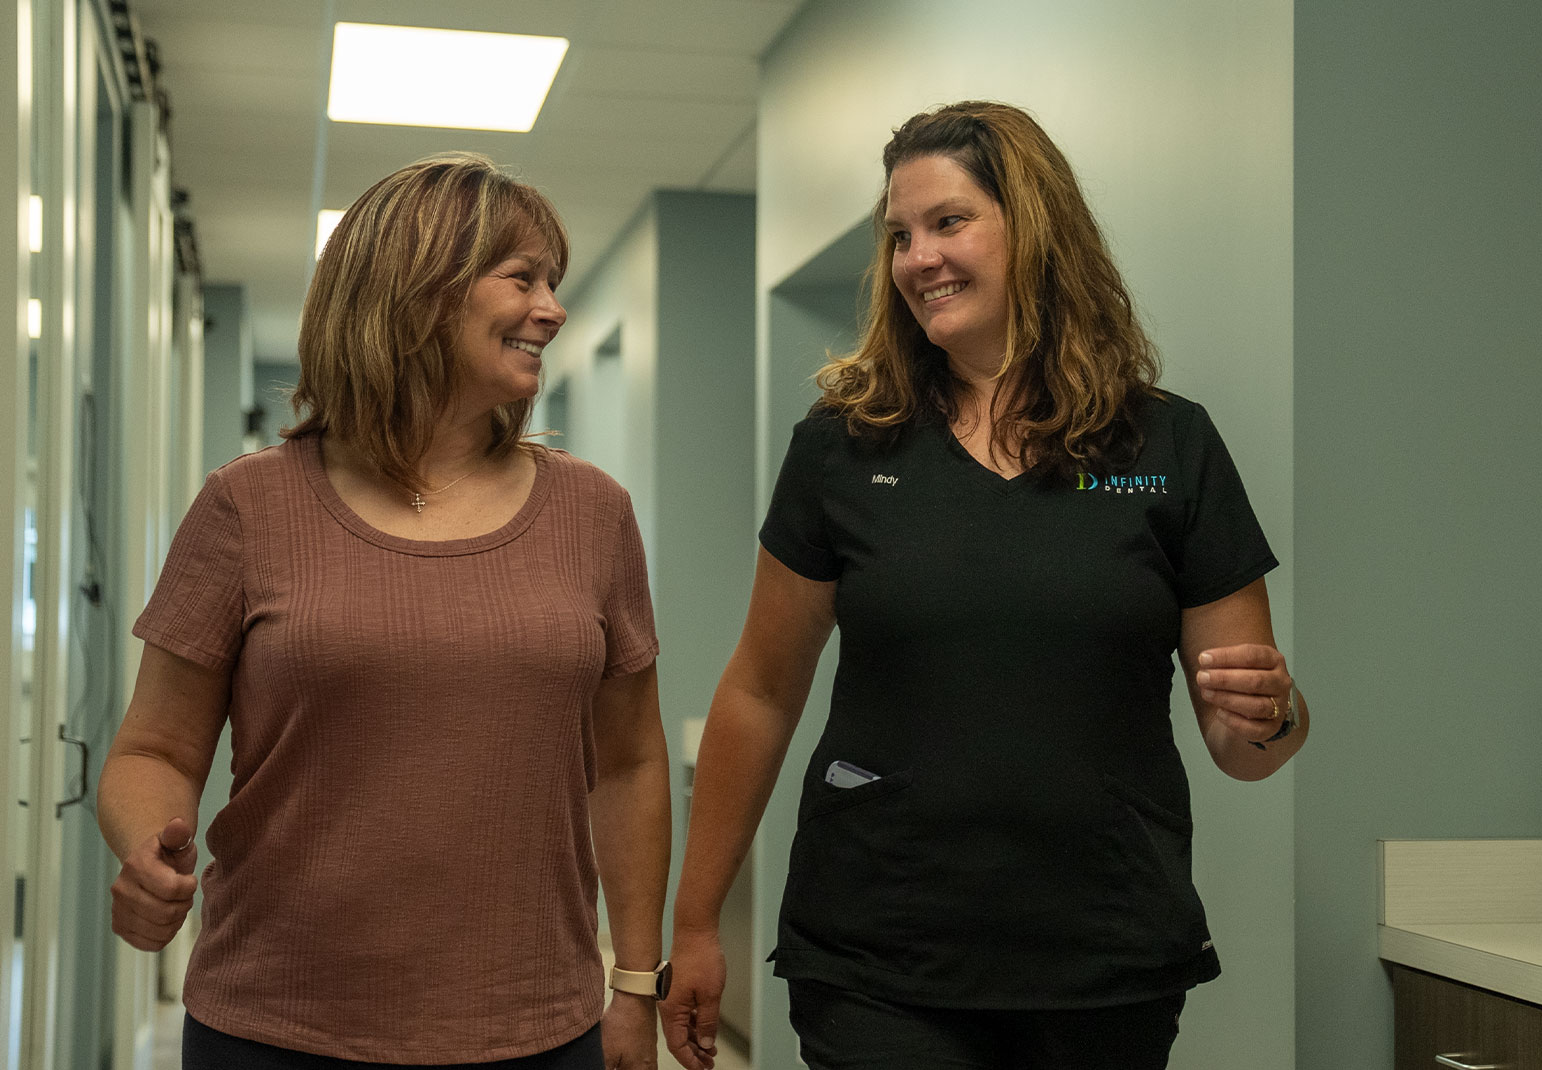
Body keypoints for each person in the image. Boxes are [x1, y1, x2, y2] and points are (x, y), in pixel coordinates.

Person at [659, 102, 1309, 1070]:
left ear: (1034, 229)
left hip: (1103, 959)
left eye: (948, 222)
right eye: (898, 236)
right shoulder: (843, 446)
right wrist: (695, 916)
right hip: (879, 952)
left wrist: (1276, 712)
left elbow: (1244, 740)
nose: (917, 258)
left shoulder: (1166, 446)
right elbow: (759, 689)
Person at [98, 153, 672, 1070]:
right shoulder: (250, 504)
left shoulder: (592, 513)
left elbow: (633, 762)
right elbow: (155, 749)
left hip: (530, 1029)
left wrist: (637, 983)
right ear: (416, 291)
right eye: (522, 278)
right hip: (275, 1025)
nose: (552, 311)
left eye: (553, 283)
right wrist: (143, 849)